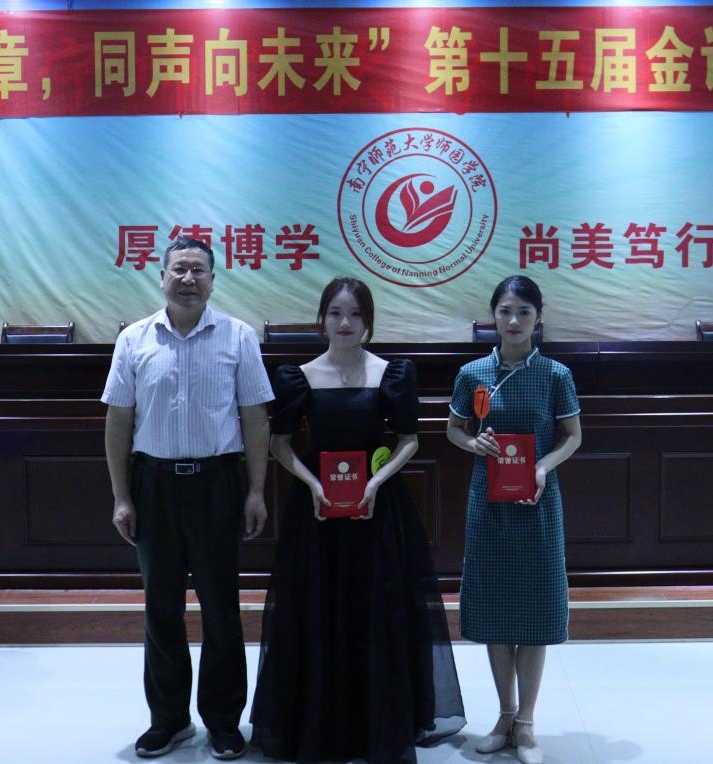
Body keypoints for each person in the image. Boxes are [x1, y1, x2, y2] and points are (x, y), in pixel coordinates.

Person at [249, 277, 466, 763]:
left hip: (377, 511)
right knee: (318, 610)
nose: (345, 323)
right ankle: (322, 724)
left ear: (368, 321)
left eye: (355, 314)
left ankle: (377, 723)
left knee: (377, 611)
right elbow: (280, 445)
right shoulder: (298, 376)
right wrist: (312, 484)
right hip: (317, 514)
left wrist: (375, 483)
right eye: (335, 313)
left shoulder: (392, 374)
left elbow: (409, 440)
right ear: (321, 319)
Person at [102, 237, 273, 761]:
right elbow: (119, 421)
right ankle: (169, 719)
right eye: (179, 269)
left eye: (199, 270)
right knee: (161, 608)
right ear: (161, 278)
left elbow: (255, 418)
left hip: (218, 484)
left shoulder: (238, 337)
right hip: (152, 484)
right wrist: (122, 497)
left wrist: (256, 491)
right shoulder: (134, 339)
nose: (188, 279)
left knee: (221, 608)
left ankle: (223, 722)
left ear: (213, 281)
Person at [446, 275, 582, 764]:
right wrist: (474, 443)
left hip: (538, 504)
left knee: (537, 612)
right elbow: (454, 429)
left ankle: (526, 724)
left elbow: (572, 436)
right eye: (505, 310)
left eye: (524, 311)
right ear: (493, 316)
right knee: (496, 611)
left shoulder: (556, 375)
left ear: (538, 317)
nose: (514, 320)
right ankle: (504, 717)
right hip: (488, 503)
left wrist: (543, 466)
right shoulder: (473, 373)